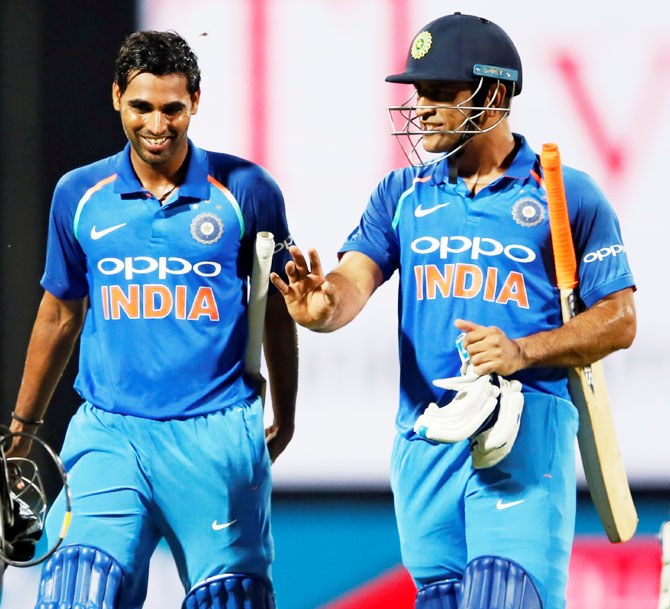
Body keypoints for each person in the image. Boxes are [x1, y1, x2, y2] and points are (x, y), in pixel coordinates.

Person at [271, 12, 635, 609]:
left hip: (523, 430)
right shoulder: (402, 194)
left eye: (440, 93)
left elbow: (619, 318)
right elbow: (352, 281)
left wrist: (524, 351)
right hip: (425, 435)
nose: (422, 107)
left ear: (493, 95)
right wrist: (323, 305)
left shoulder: (562, 194)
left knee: (504, 595)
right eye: (418, 92)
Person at [7, 30, 297, 609]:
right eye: (141, 107)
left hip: (217, 439)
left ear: (196, 101)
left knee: (231, 600)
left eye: (173, 109)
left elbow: (280, 313)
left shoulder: (248, 191)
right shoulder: (79, 194)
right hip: (109, 433)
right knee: (74, 595)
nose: (157, 125)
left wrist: (284, 418)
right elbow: (60, 313)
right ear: (116, 96)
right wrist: (23, 430)